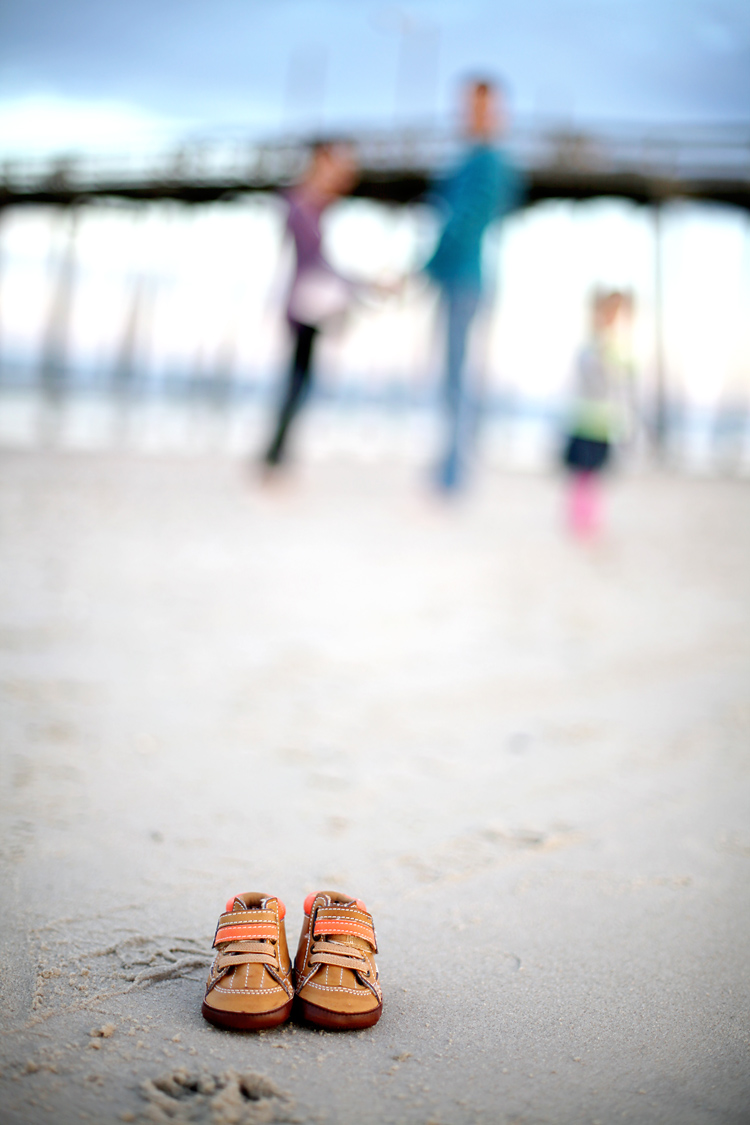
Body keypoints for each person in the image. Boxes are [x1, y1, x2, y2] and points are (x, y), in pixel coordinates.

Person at [425, 77, 523, 491]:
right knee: (456, 374)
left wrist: (427, 267)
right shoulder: (481, 160)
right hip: (464, 275)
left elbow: (465, 221)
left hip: (464, 276)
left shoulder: (489, 161)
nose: (472, 115)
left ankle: (453, 474)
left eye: (481, 107)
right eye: (468, 106)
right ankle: (451, 470)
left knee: (457, 376)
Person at [262, 140, 358, 470]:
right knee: (298, 382)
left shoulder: (316, 206)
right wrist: (355, 285)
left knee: (301, 381)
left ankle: (278, 457)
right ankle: (274, 459)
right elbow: (314, 261)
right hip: (304, 306)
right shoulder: (302, 204)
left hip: (310, 304)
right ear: (320, 163)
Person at [562, 289, 635, 536]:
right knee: (584, 476)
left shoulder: (608, 347)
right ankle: (581, 520)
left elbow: (622, 381)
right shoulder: (594, 348)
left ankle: (588, 520)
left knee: (593, 477)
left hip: (600, 422)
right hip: (587, 420)